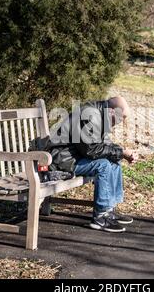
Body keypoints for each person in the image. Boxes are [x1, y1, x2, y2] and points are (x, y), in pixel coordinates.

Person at [43, 96, 138, 232]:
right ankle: (100, 217)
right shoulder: (90, 116)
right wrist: (122, 151)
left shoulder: (99, 114)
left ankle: (109, 210)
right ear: (112, 112)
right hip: (62, 160)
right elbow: (91, 150)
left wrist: (121, 152)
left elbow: (103, 144)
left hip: (76, 156)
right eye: (120, 118)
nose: (120, 123)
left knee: (114, 162)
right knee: (103, 165)